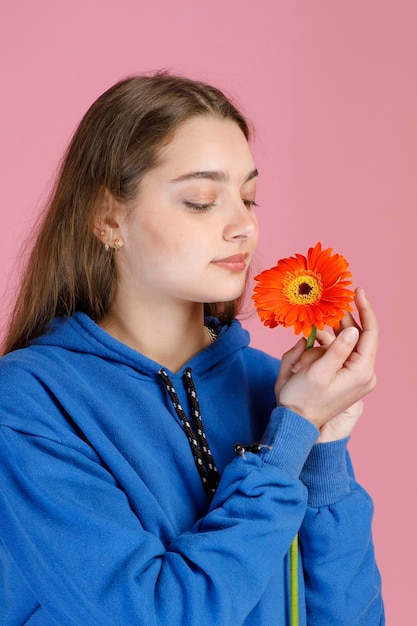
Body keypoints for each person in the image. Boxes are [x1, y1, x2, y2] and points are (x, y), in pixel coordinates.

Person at [0, 73, 384, 625]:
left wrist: (323, 446)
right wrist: (286, 440)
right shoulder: (32, 402)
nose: (244, 226)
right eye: (202, 201)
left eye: (249, 197)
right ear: (108, 217)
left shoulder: (272, 391)